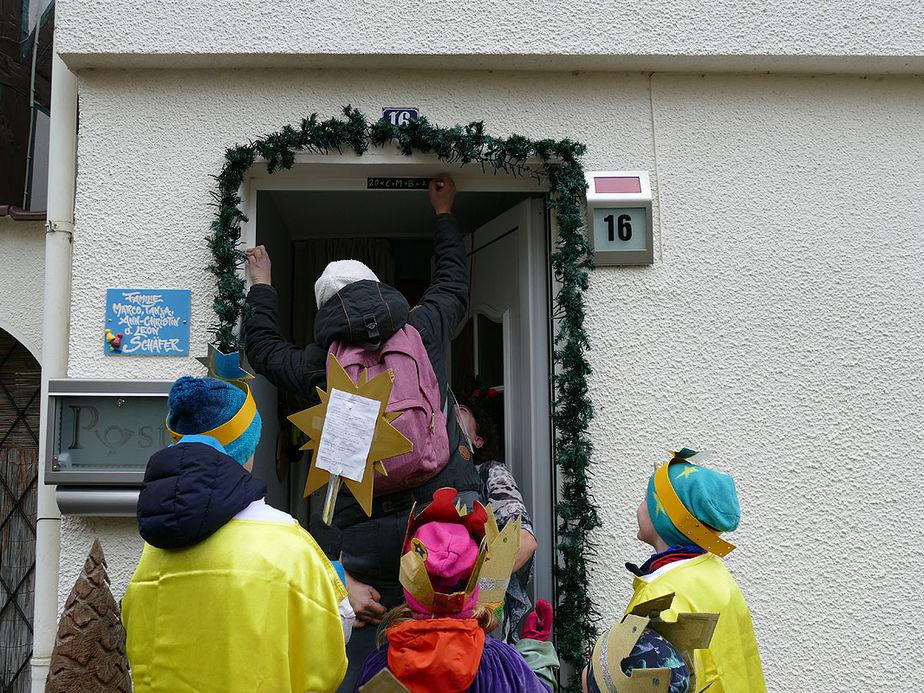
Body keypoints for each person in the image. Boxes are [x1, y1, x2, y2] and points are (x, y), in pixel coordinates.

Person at [243, 174, 485, 691]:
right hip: (441, 513)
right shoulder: (422, 329)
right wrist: (443, 213)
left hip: (364, 527)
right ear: (379, 288)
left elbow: (262, 350)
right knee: (449, 633)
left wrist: (261, 285)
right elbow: (452, 284)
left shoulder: (318, 363)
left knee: (368, 644)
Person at [121, 376, 351, 693]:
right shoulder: (287, 542)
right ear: (247, 448)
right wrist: (331, 572)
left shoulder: (155, 548)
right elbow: (326, 663)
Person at [355, 488, 557, 693]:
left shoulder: (380, 665)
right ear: (475, 577)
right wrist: (535, 651)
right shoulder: (501, 664)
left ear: (408, 581)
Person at [624, 448, 766, 691]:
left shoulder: (660, 596)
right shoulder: (713, 571)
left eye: (645, 500)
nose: (638, 508)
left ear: (666, 519)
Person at [456, 397, 538, 641]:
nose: (450, 414)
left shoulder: (489, 472)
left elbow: (524, 540)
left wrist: (471, 596)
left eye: (460, 411)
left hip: (479, 626)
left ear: (477, 441)